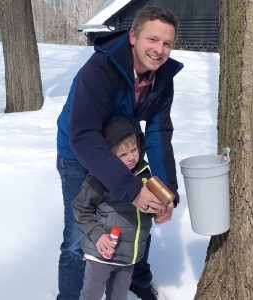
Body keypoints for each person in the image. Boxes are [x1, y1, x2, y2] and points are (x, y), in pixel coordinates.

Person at [56, 5, 183, 300]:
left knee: (139, 214)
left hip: (125, 150)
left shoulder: (161, 76)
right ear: (133, 37)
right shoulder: (101, 69)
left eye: (167, 43)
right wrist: (131, 189)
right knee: (78, 236)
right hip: (78, 151)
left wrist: (166, 193)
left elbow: (158, 132)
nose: (159, 50)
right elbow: (84, 135)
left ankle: (137, 278)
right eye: (152, 40)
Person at [73, 116, 153, 300]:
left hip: (129, 256)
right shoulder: (100, 178)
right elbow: (81, 208)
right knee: (90, 296)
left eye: (134, 150)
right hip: (103, 253)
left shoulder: (144, 174)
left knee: (118, 296)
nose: (132, 157)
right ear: (109, 156)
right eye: (123, 154)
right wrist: (97, 235)